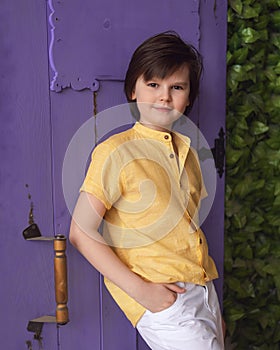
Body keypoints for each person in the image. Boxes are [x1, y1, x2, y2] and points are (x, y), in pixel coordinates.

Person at [69, 31, 224, 349]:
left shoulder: (190, 153)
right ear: (132, 89)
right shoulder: (117, 151)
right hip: (162, 296)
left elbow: (186, 231)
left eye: (176, 87)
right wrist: (141, 292)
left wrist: (210, 306)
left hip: (203, 292)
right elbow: (80, 232)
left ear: (189, 97)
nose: (164, 97)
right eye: (153, 85)